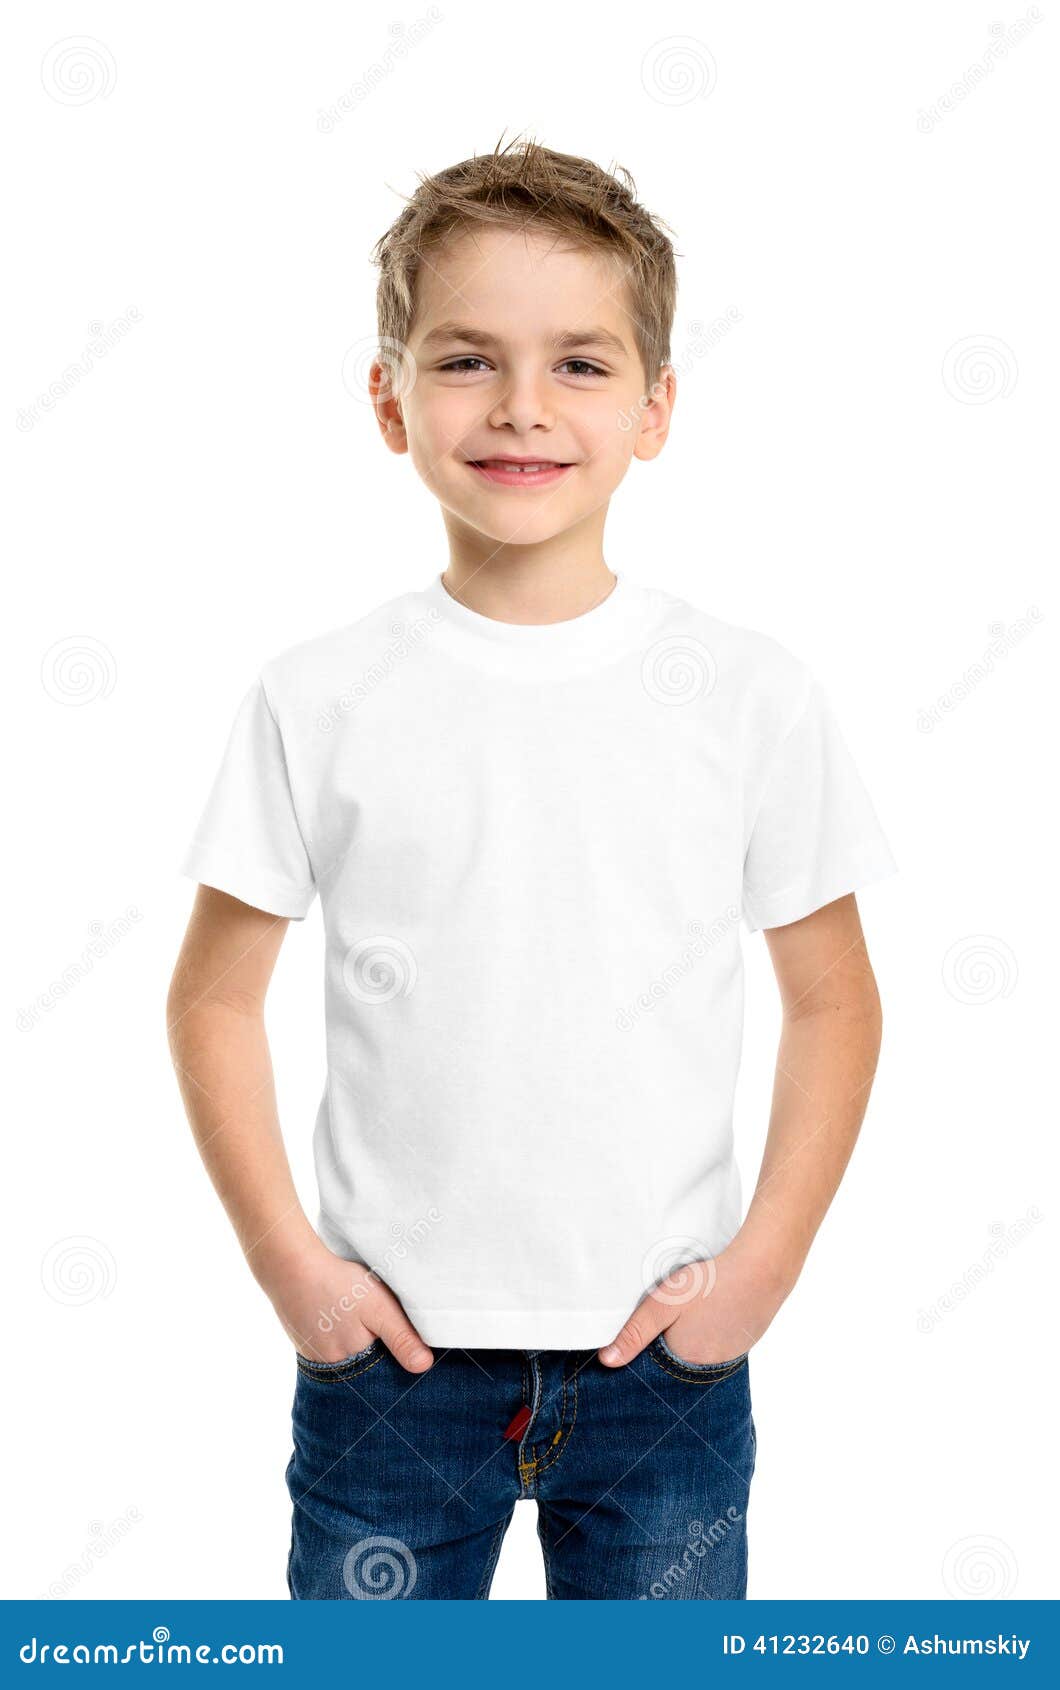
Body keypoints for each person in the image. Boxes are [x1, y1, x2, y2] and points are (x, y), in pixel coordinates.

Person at [167, 138, 897, 1601]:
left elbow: (836, 1000)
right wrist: (289, 1267)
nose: (519, 407)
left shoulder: (746, 693)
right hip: (391, 1373)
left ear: (656, 408)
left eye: (579, 363)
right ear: (389, 398)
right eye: (464, 360)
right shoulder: (319, 695)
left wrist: (760, 1271)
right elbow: (212, 1000)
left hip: (662, 1371)